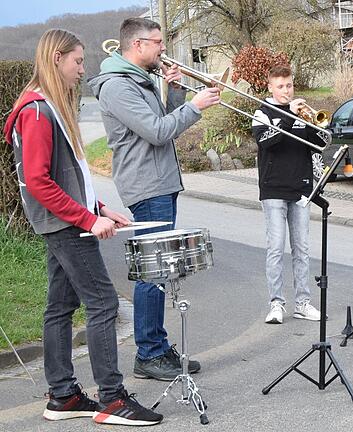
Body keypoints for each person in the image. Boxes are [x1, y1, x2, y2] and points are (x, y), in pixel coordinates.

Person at [3, 29, 162, 426]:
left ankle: (63, 397)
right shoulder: (38, 110)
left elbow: (68, 174)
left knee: (60, 306)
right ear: (57, 58)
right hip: (65, 225)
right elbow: (39, 182)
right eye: (77, 61)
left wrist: (101, 206)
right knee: (104, 304)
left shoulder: (49, 106)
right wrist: (88, 219)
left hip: (67, 219)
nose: (81, 69)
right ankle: (112, 399)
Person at [89, 17, 220, 381]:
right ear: (137, 45)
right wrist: (195, 105)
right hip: (147, 186)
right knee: (153, 273)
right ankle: (148, 353)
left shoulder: (138, 80)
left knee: (160, 271)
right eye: (158, 42)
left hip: (158, 182)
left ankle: (157, 346)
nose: (163, 48)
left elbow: (161, 120)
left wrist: (176, 94)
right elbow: (158, 132)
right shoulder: (118, 86)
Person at [252, 64, 326, 324]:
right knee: (275, 249)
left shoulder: (302, 112)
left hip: (301, 188)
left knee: (302, 249)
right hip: (273, 189)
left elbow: (319, 144)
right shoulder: (261, 112)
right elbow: (266, 141)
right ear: (270, 87)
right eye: (281, 86)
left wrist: (313, 124)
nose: (286, 90)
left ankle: (303, 303)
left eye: (289, 85)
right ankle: (276, 304)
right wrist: (289, 116)